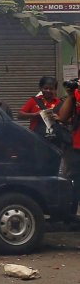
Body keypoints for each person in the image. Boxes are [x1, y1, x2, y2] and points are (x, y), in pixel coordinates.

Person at [55, 77, 80, 210]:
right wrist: (71, 95)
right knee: (76, 180)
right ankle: (72, 213)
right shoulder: (76, 95)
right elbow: (62, 117)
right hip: (77, 146)